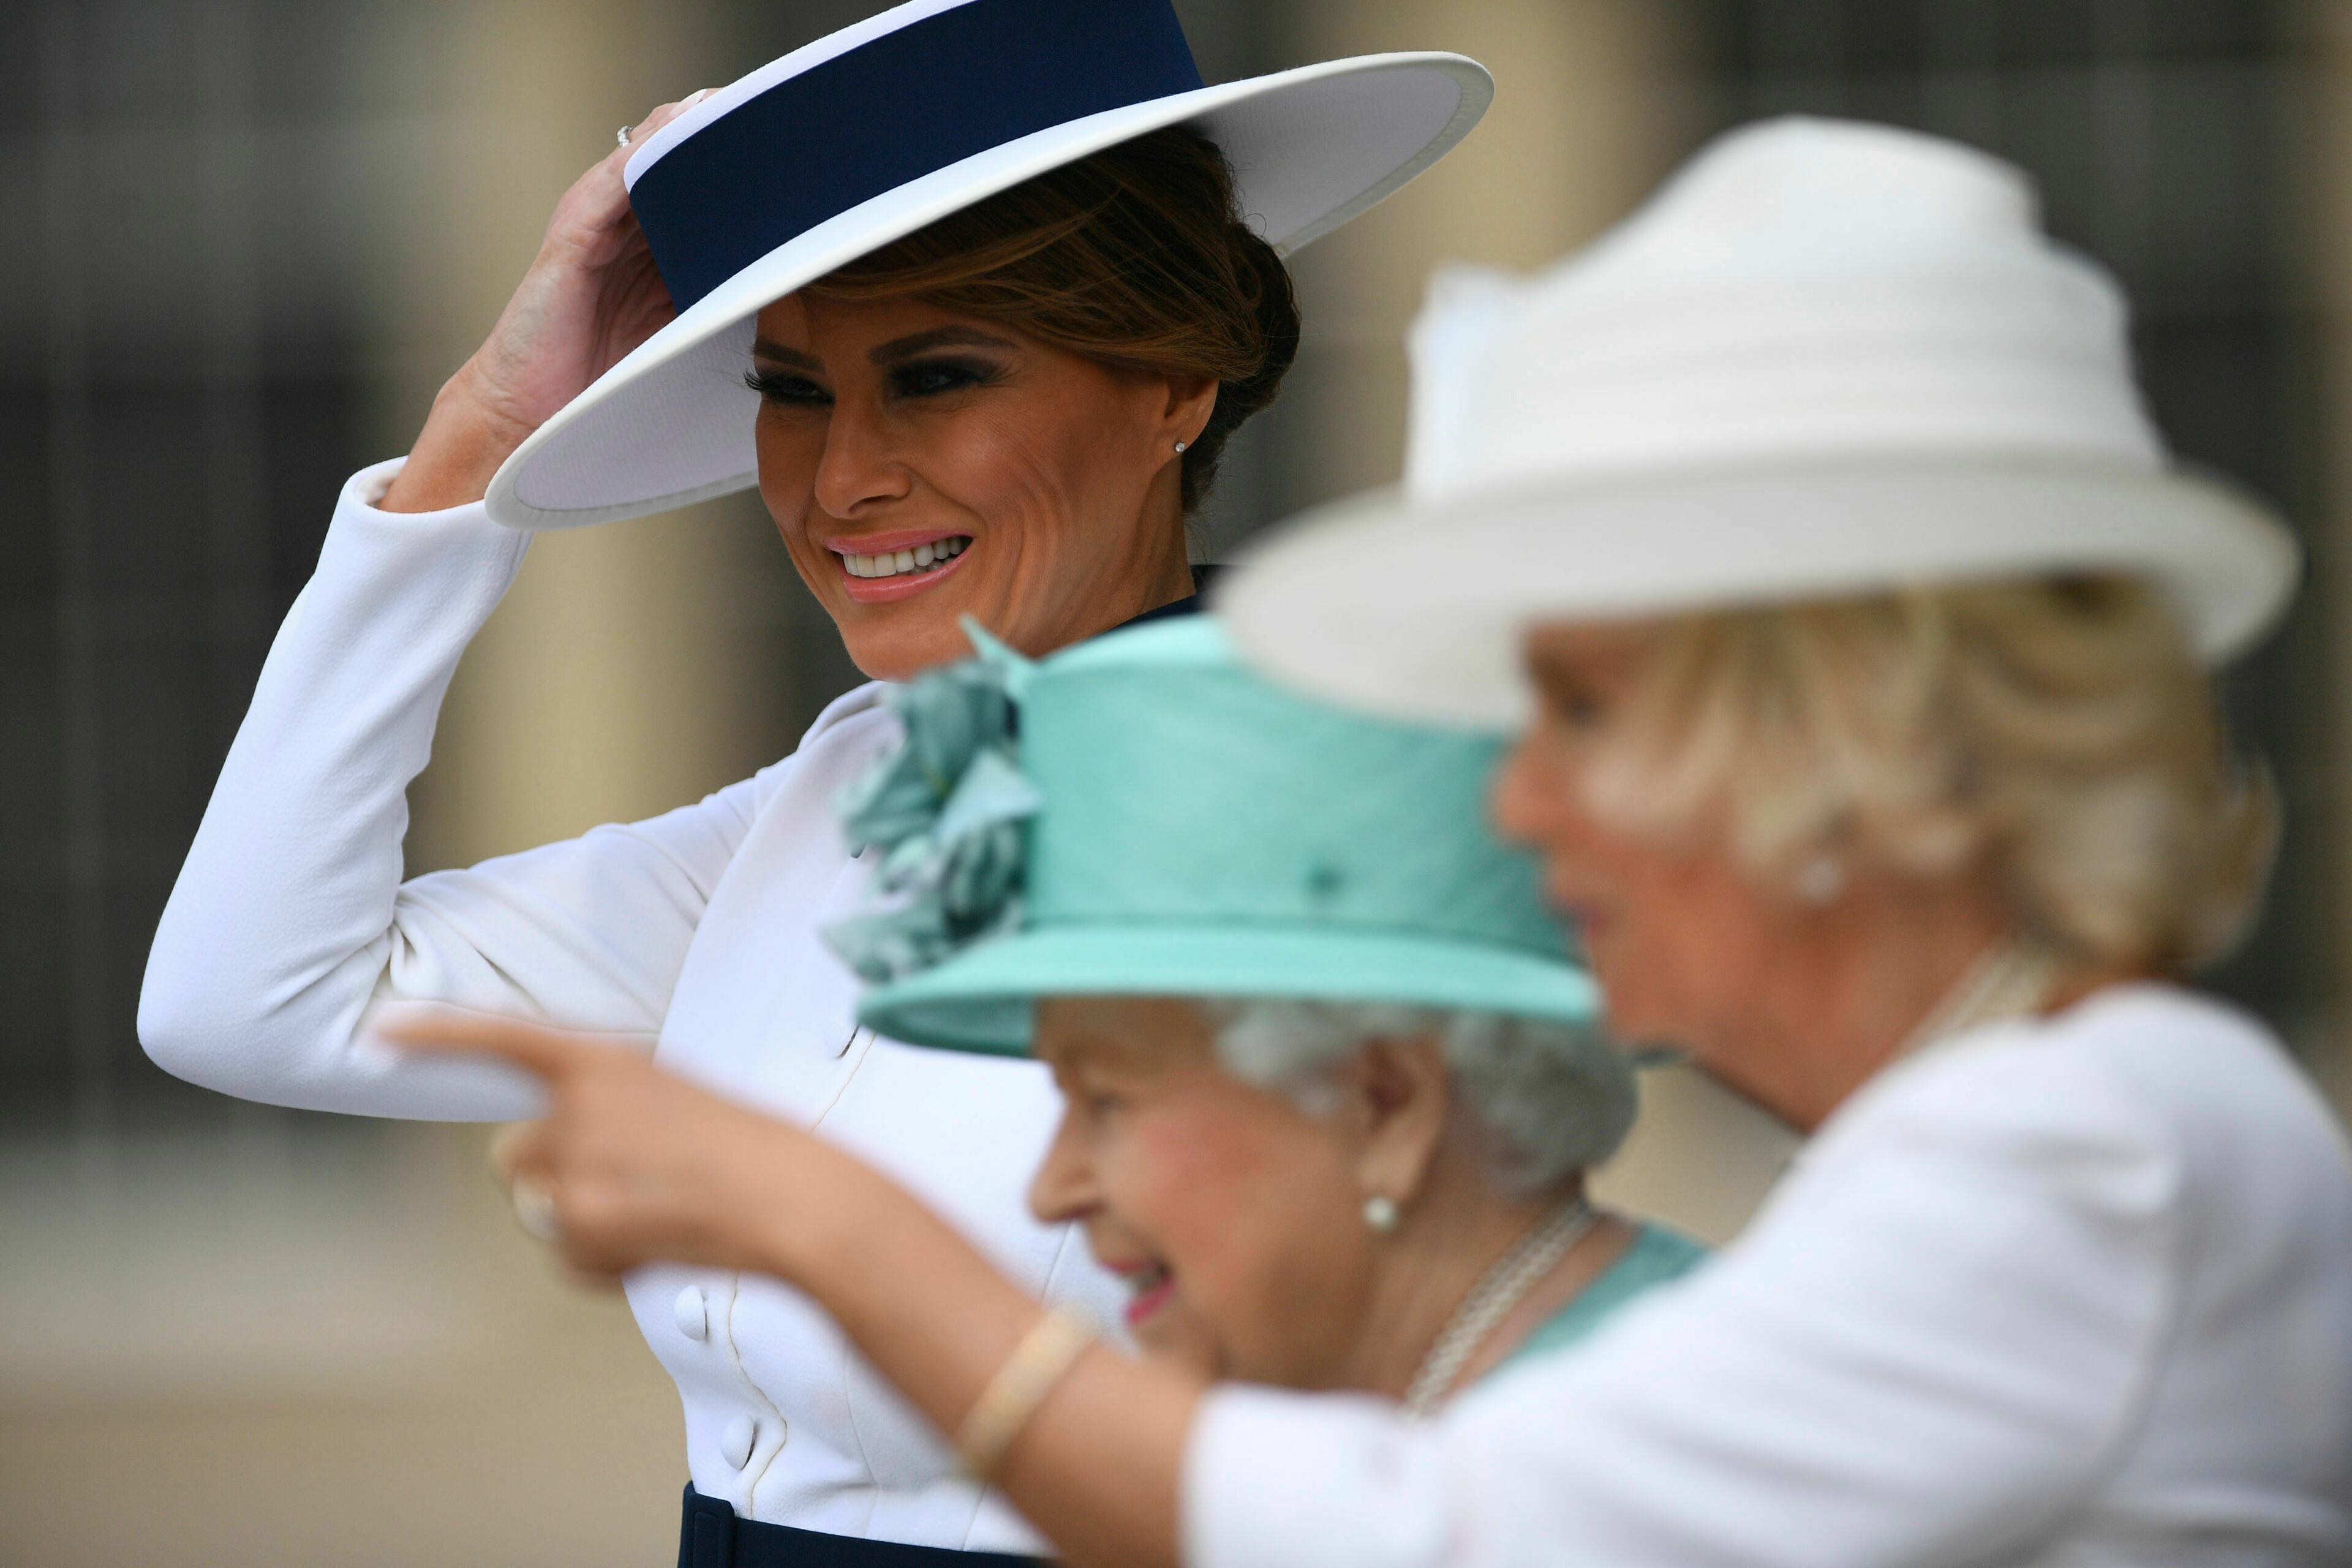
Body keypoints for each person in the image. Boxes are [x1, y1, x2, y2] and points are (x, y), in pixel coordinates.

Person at [427, 116, 2351, 1567]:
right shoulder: (2032, 1130)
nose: (1510, 795)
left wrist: (807, 1221)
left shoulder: (2098, 1149)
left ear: (1851, 731)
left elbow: (1435, 1532)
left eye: (1578, 712)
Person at [135, 1, 1494, 1560]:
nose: (841, 476)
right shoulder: (836, 796)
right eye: (791, 390)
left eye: (936, 375)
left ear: (1174, 384)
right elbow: (248, 1000)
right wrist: (475, 448)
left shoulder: (1360, 798)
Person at [398, 615, 1703, 1540]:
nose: (1054, 1181)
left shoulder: (1652, 1442)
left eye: (1110, 1100)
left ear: (1383, 1104)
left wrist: (810, 1216)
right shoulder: (1355, 1422)